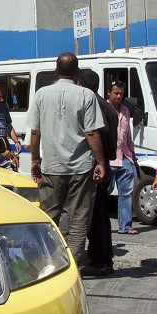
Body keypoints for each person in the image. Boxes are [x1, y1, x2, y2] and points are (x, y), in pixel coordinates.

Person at [29, 53, 108, 270]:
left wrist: (35, 160)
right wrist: (100, 162)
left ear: (56, 71)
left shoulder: (41, 94)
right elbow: (91, 132)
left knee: (49, 217)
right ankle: (71, 265)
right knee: (79, 218)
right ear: (77, 72)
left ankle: (48, 262)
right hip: (80, 167)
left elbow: (35, 133)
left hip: (52, 165)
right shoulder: (86, 95)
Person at [79, 68, 118, 276]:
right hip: (105, 164)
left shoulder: (92, 105)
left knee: (94, 217)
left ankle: (98, 260)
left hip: (96, 166)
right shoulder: (108, 107)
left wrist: (98, 162)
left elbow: (95, 136)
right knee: (102, 216)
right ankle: (105, 258)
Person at [106, 80, 139, 235]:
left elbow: (128, 136)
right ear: (109, 93)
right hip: (109, 158)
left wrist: (132, 155)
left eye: (121, 94)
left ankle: (125, 226)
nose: (118, 96)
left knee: (126, 193)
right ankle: (99, 225)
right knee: (105, 191)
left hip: (124, 157)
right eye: (116, 93)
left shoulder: (125, 111)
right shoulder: (103, 109)